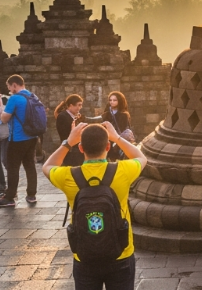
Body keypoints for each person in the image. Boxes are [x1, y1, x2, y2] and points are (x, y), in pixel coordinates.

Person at [42, 121, 146, 290]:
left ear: (81, 148)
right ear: (107, 147)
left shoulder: (68, 176)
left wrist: (68, 142)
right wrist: (117, 138)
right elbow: (141, 157)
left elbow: (47, 166)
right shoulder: (123, 170)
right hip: (121, 253)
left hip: (84, 255)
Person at [0, 75, 39, 207]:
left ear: (14, 85)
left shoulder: (14, 98)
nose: (9, 89)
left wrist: (0, 105)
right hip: (32, 137)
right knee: (30, 165)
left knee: (13, 167)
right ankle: (31, 194)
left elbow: (4, 119)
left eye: (9, 86)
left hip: (17, 138)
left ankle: (10, 197)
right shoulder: (33, 96)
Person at [55, 94, 85, 167]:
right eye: (78, 105)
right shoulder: (63, 116)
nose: (80, 107)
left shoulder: (76, 116)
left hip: (77, 149)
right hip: (70, 150)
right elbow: (64, 135)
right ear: (71, 105)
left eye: (81, 105)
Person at [102, 91, 134, 160]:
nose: (112, 102)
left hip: (119, 138)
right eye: (110, 100)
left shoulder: (124, 114)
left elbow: (123, 128)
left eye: (114, 100)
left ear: (119, 101)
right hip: (108, 138)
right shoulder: (107, 112)